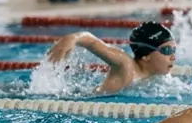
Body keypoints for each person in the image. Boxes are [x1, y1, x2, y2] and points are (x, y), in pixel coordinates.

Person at [46, 21, 177, 95]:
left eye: (174, 50)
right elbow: (92, 42)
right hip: (82, 99)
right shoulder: (126, 65)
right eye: (167, 50)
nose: (173, 57)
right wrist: (73, 38)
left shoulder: (157, 76)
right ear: (146, 55)